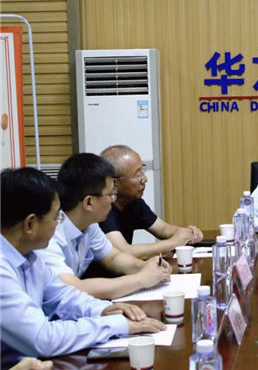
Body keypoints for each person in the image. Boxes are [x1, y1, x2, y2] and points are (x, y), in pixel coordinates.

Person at [0, 167, 165, 368]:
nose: (58, 224)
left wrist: (106, 310)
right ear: (30, 224)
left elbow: (63, 296)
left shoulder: (29, 255)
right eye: (56, 217)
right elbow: (44, 338)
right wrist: (116, 324)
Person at [36, 153, 172, 300]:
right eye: (111, 194)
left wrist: (143, 267)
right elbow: (73, 287)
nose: (113, 200)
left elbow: (113, 257)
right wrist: (141, 279)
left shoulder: (89, 224)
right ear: (89, 202)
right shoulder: (48, 234)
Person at [99, 145, 202, 260]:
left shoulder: (133, 202)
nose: (144, 179)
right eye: (137, 175)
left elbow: (163, 230)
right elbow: (123, 252)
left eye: (142, 171)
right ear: (114, 183)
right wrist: (174, 242)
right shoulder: (102, 207)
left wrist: (188, 233)